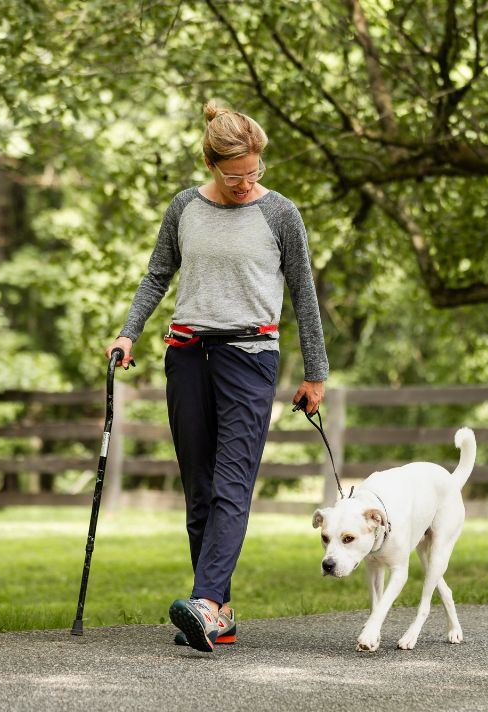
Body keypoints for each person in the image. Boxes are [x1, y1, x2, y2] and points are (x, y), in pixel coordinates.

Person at [105, 101, 329, 652]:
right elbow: (158, 273)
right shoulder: (184, 207)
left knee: (232, 482)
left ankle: (203, 601)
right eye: (235, 176)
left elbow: (303, 294)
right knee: (199, 488)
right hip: (186, 356)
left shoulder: (280, 214)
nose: (246, 184)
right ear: (211, 164)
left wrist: (315, 372)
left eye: (255, 173)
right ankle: (218, 613)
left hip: (251, 359)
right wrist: (128, 332)